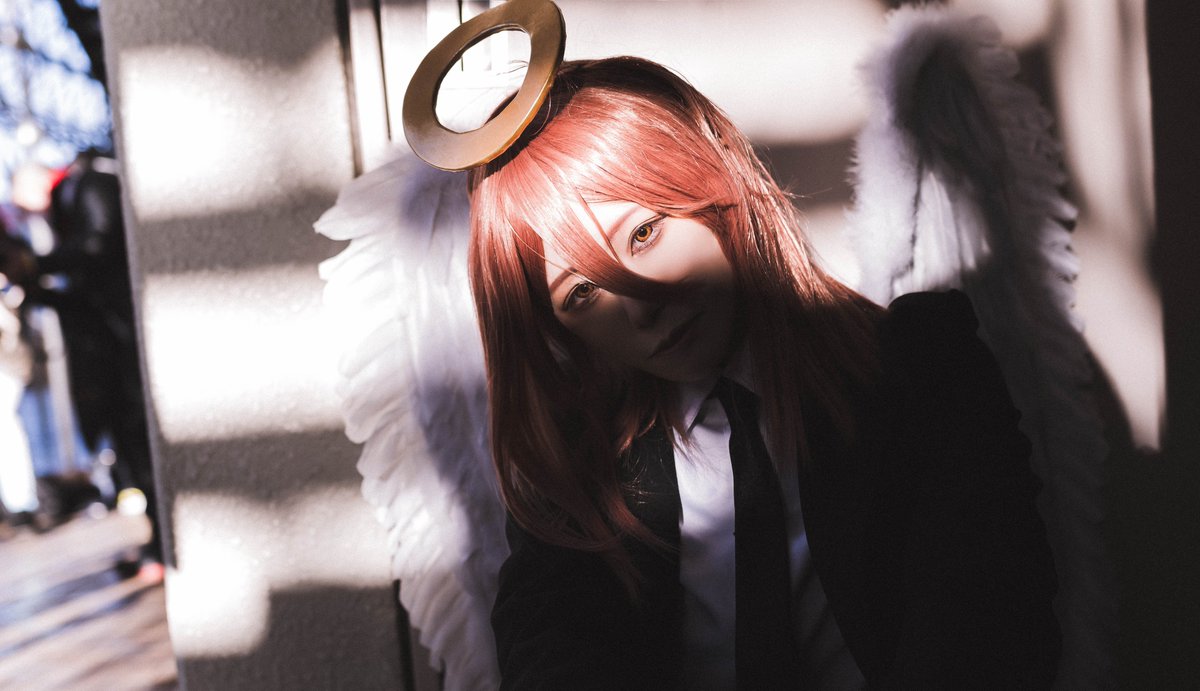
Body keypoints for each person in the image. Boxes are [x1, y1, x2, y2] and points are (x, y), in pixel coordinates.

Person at [459, 56, 1060, 689]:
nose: (639, 306)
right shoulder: (577, 473)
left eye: (644, 234)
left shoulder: (922, 369)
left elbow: (994, 623)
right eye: (581, 293)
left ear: (715, 174)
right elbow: (548, 651)